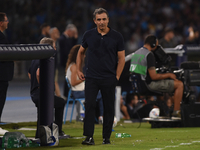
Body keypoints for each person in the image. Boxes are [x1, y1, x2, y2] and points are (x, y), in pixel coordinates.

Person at [76, 8, 125, 145]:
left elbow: (121, 58)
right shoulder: (88, 35)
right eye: (99, 20)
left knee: (109, 108)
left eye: (104, 19)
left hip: (109, 78)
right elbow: (80, 52)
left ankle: (106, 138)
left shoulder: (117, 37)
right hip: (91, 77)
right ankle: (89, 137)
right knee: (90, 105)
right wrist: (79, 70)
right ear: (94, 21)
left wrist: (117, 76)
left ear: (108, 20)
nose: (102, 22)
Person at [130, 34, 183, 118]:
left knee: (162, 93)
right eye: (157, 45)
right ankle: (176, 113)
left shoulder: (136, 53)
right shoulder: (149, 54)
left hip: (139, 85)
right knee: (179, 84)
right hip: (148, 85)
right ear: (153, 44)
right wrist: (169, 74)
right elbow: (154, 76)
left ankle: (163, 114)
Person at [28, 37, 68, 138]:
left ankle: (39, 135)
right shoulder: (44, 60)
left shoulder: (35, 59)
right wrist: (43, 89)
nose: (55, 49)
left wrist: (34, 84)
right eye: (54, 47)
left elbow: (30, 73)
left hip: (34, 93)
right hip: (41, 93)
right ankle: (57, 131)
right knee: (60, 103)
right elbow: (38, 73)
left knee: (41, 115)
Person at [65, 44, 103, 122]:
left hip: (79, 91)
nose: (85, 56)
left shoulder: (74, 66)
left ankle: (97, 117)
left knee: (98, 93)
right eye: (83, 54)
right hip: (77, 92)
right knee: (101, 94)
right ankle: (101, 117)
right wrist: (85, 78)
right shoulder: (74, 67)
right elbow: (73, 82)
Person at [0, 12, 14, 122]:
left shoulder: (3, 36)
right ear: (1, 23)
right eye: (6, 20)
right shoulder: (1, 38)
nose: (8, 22)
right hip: (1, 77)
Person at [58, 23, 78, 98]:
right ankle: (67, 95)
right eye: (73, 33)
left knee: (69, 78)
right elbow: (67, 52)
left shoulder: (67, 39)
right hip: (65, 62)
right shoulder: (62, 39)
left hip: (68, 61)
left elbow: (72, 48)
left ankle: (69, 94)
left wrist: (75, 39)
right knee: (68, 78)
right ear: (69, 31)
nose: (73, 35)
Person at [49, 27, 61, 97]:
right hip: (51, 65)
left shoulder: (58, 42)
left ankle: (58, 96)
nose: (58, 34)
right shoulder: (49, 43)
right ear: (52, 34)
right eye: (56, 32)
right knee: (53, 81)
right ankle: (58, 96)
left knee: (54, 81)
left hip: (55, 65)